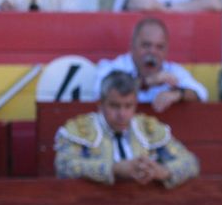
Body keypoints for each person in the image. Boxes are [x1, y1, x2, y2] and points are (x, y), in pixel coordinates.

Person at [54, 69, 200, 188]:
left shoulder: (148, 129)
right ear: (101, 103)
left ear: (135, 104)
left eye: (128, 106)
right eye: (114, 106)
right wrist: (114, 169)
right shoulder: (80, 130)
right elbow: (64, 165)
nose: (122, 114)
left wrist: (163, 171)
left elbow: (190, 162)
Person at [96, 16, 209, 112]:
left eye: (159, 47)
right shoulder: (113, 67)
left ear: (166, 51)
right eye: (146, 45)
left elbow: (201, 93)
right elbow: (100, 90)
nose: (153, 52)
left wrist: (178, 94)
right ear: (132, 46)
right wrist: (146, 83)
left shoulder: (172, 71)